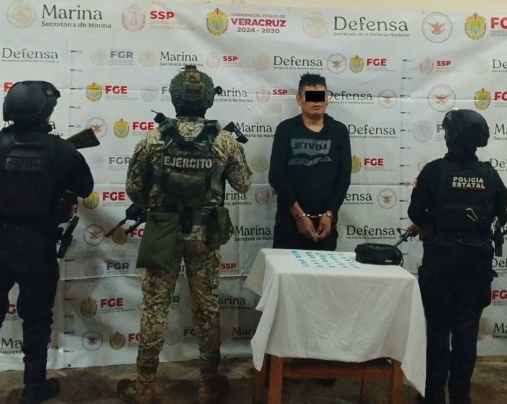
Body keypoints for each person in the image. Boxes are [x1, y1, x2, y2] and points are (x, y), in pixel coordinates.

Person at [118, 65, 252, 404]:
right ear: (208, 99)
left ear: (175, 98)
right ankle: (208, 385)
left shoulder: (154, 139)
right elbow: (243, 183)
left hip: (162, 231)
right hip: (205, 234)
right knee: (206, 308)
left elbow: (134, 189)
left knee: (155, 307)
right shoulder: (223, 140)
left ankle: (145, 387)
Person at [0, 81, 94, 404]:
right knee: (37, 319)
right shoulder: (61, 150)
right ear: (44, 112)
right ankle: (34, 387)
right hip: (38, 245)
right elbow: (85, 187)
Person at [407, 109, 507, 404]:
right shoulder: (490, 175)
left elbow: (415, 212)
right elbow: (501, 214)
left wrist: (435, 224)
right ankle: (461, 394)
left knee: (437, 330)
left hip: (441, 263)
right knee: (466, 331)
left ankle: (433, 394)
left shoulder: (434, 171)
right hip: (476, 265)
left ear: (450, 136)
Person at [268, 73, 351, 251]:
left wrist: (330, 214)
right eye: (311, 96)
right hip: (289, 224)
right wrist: (299, 216)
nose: (316, 102)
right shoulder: (285, 129)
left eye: (321, 96)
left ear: (327, 100)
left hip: (325, 224)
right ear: (299, 100)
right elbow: (276, 176)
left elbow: (344, 178)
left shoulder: (339, 131)